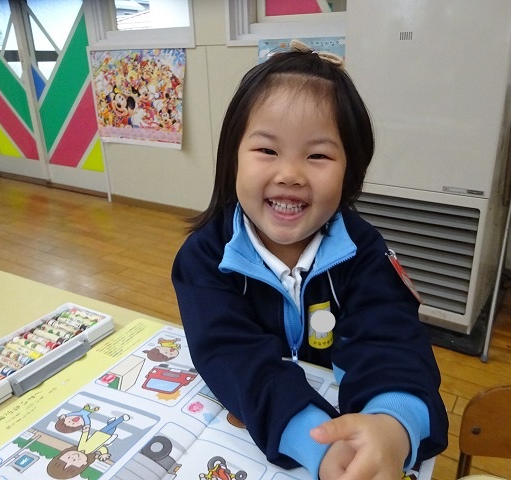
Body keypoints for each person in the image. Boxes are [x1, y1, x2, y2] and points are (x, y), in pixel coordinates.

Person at [171, 40, 448, 480]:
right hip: (260, 439)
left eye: (317, 155)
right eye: (267, 151)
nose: (290, 175)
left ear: (350, 169)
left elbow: (391, 340)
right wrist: (311, 435)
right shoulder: (205, 258)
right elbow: (229, 355)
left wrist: (394, 423)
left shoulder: (365, 252)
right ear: (232, 158)